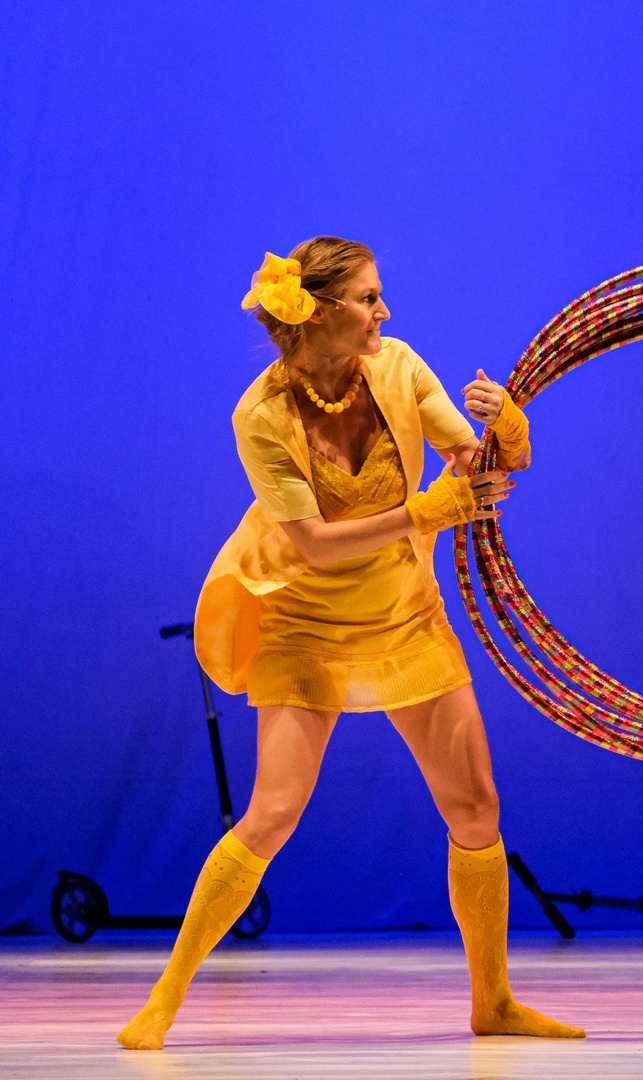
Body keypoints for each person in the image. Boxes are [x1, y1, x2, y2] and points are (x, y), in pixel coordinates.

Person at [117, 237, 585, 1050]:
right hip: (302, 620)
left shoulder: (399, 367)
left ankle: (495, 1002)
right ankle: (164, 997)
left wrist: (508, 426)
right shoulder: (261, 416)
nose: (384, 312)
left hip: (404, 614)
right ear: (321, 313)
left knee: (476, 806)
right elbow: (313, 545)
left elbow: (477, 466)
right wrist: (426, 512)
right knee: (272, 812)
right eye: (369, 298)